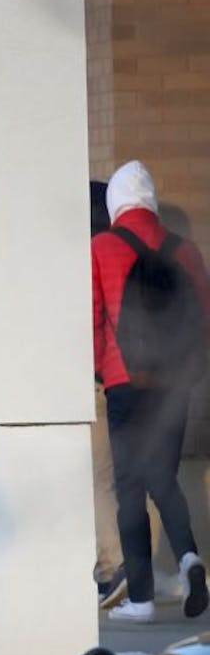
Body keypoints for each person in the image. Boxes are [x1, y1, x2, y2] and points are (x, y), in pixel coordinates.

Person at [91, 160, 210, 622]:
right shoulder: (187, 251)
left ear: (116, 201)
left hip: (126, 381)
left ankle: (140, 599)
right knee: (165, 477)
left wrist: (102, 370)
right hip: (173, 383)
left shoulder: (102, 245)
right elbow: (202, 317)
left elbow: (94, 317)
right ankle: (188, 559)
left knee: (129, 486)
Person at [87, 180, 127, 609]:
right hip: (140, 379)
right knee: (131, 473)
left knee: (99, 478)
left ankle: (114, 565)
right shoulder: (132, 250)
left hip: (96, 378)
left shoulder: (87, 256)